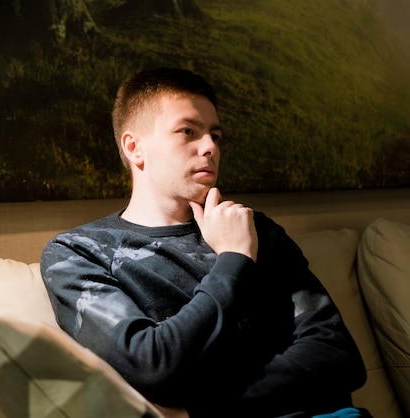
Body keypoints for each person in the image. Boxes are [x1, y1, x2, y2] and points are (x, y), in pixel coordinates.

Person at [40, 67, 370, 418]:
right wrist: (234, 258)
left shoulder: (256, 228)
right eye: (188, 131)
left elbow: (339, 357)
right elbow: (153, 365)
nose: (210, 147)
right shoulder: (79, 253)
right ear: (134, 147)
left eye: (215, 134)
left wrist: (202, 407)